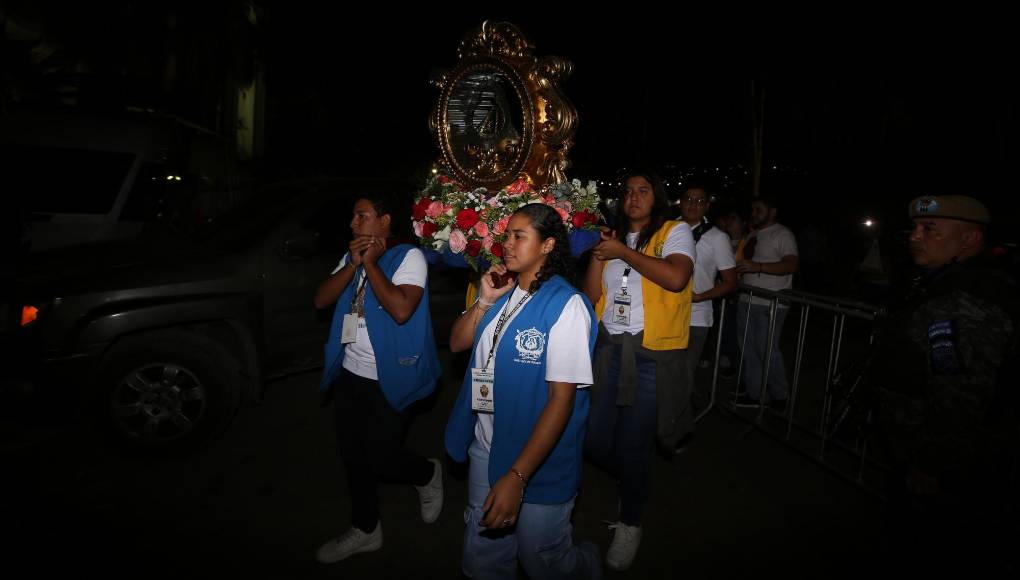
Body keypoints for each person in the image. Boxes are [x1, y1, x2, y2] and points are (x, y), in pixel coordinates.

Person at [445, 203, 601, 580]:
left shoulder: (566, 306)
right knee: (483, 558)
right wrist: (484, 300)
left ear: (547, 245)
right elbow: (455, 343)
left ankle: (587, 565)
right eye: (506, 236)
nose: (507, 245)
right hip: (486, 446)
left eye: (519, 236)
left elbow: (561, 400)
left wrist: (517, 477)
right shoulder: (504, 291)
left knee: (542, 560)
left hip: (537, 459)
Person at [868, 195, 1018, 573]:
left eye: (929, 229)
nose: (916, 236)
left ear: (969, 240)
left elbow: (959, 391)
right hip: (914, 445)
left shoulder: (968, 297)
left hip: (938, 459)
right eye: (915, 229)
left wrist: (931, 463)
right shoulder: (940, 282)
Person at [313, 192, 443, 564]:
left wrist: (370, 265)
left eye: (361, 216)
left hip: (391, 376)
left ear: (385, 220)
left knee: (382, 457)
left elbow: (402, 309)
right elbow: (321, 300)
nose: (353, 223)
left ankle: (425, 473)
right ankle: (365, 528)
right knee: (354, 456)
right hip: (351, 373)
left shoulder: (409, 257)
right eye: (354, 217)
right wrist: (352, 265)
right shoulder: (350, 256)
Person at [581, 170, 695, 571]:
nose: (633, 197)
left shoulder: (674, 231)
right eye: (627, 191)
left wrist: (621, 253)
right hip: (610, 350)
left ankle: (631, 520)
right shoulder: (610, 237)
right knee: (592, 437)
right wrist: (601, 252)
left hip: (650, 355)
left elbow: (677, 277)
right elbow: (593, 295)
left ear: (657, 197)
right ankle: (636, 476)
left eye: (643, 190)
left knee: (632, 444)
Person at [678, 186, 737, 427]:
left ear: (707, 206)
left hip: (696, 318)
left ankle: (679, 429)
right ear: (680, 203)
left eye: (699, 200)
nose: (693, 204)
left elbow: (731, 282)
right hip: (662, 314)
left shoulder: (717, 237)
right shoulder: (667, 229)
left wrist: (701, 297)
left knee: (684, 376)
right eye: (688, 199)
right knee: (662, 374)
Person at [734, 194, 798, 411]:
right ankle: (756, 394)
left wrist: (758, 267)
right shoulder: (753, 234)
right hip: (747, 298)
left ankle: (780, 395)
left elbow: (790, 265)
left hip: (770, 301)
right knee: (748, 348)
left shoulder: (783, 234)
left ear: (772, 212)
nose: (754, 214)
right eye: (752, 210)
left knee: (767, 349)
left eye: (759, 210)